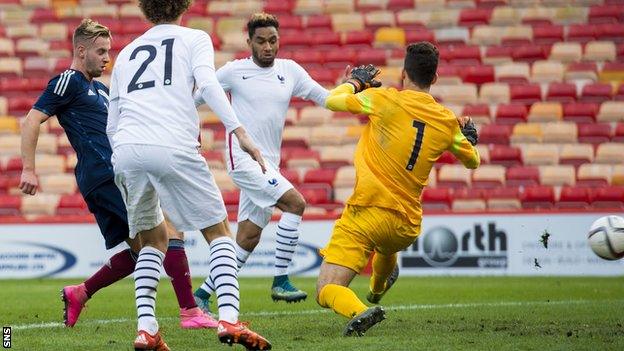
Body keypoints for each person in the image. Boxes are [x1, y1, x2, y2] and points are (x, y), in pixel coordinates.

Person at [18, 18, 215, 330]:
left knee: (141, 253)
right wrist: (29, 168)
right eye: (100, 51)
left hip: (112, 173)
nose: (107, 58)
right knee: (168, 232)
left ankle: (79, 293)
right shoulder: (67, 81)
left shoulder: (100, 88)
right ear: (80, 51)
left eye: (108, 51)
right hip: (105, 173)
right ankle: (190, 311)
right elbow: (30, 120)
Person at [106, 1, 271, 350]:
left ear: (146, 10)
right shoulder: (194, 37)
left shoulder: (127, 52)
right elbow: (209, 86)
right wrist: (240, 132)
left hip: (125, 151)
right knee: (219, 232)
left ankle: (147, 329)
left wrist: (122, 159)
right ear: (184, 5)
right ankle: (228, 319)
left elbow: (112, 121)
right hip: (172, 144)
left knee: (153, 241)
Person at [315, 42, 480, 336]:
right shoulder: (446, 121)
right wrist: (469, 138)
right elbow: (473, 161)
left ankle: (360, 311)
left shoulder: (384, 99)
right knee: (386, 246)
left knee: (326, 288)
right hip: (406, 225)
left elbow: (332, 100)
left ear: (403, 75)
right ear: (435, 79)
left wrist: (355, 83)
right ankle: (376, 290)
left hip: (367, 214)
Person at [193, 12, 329, 310]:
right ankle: (281, 280)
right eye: (261, 41)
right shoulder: (233, 71)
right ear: (249, 43)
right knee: (295, 203)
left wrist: (351, 88)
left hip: (268, 163)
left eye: (273, 40)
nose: (268, 47)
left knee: (248, 237)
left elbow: (325, 98)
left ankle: (201, 295)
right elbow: (197, 96)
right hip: (242, 159)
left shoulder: (290, 71)